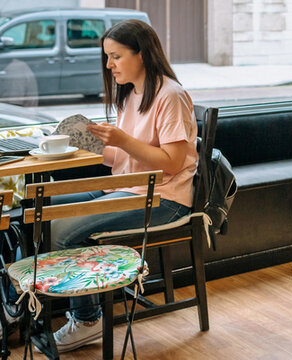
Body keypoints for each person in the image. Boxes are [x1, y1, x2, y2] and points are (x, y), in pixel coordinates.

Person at [46, 19, 197, 353]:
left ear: (140, 54)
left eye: (115, 56)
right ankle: (21, 305)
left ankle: (88, 320)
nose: (108, 65)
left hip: (164, 199)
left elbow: (172, 161)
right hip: (127, 188)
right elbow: (124, 157)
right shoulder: (131, 95)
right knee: (40, 212)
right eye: (107, 56)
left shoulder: (171, 96)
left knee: (62, 232)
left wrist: (123, 140)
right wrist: (84, 142)